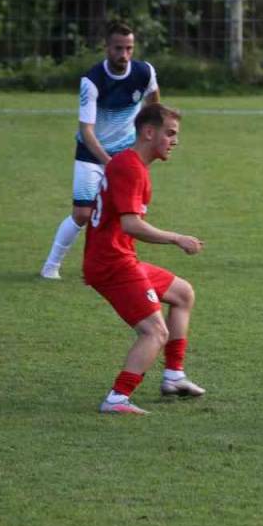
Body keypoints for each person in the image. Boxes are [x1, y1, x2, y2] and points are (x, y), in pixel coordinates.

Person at [84, 104, 205, 415]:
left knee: (182, 293)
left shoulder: (131, 164)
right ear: (149, 132)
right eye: (170, 133)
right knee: (155, 332)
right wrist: (177, 238)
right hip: (112, 264)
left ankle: (174, 377)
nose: (174, 141)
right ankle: (117, 398)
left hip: (119, 257)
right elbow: (131, 224)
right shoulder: (131, 168)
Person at [40, 22, 160, 280]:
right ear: (107, 47)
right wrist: (109, 162)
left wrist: (149, 140)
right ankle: (51, 265)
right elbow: (87, 131)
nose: (124, 55)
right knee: (83, 213)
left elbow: (153, 107)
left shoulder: (144, 72)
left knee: (128, 213)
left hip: (127, 153)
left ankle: (121, 264)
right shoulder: (92, 81)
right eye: (118, 48)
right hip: (92, 154)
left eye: (129, 48)